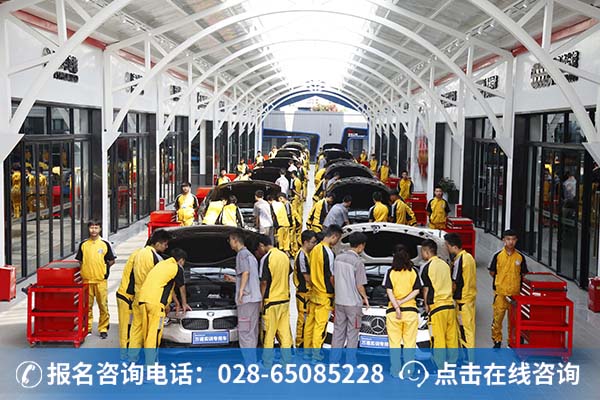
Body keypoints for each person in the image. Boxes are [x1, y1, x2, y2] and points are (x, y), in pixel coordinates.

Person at [137, 248, 190, 363]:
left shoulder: (161, 265)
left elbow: (168, 286)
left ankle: (146, 360)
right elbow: (182, 287)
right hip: (155, 304)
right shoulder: (177, 268)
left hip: (143, 300)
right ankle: (150, 365)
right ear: (181, 260)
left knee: (146, 333)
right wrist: (184, 304)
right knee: (154, 335)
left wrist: (176, 303)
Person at [128, 231, 170, 358]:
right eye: (165, 244)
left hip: (138, 297)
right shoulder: (157, 258)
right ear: (157, 244)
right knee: (152, 330)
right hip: (151, 299)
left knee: (136, 327)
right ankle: (150, 359)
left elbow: (132, 276)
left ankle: (132, 356)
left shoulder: (139, 254)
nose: (166, 247)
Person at [304, 225, 343, 361]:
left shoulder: (314, 249)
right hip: (324, 295)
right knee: (320, 327)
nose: (337, 242)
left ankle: (306, 352)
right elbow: (331, 276)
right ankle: (316, 355)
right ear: (334, 236)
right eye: (337, 239)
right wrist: (338, 291)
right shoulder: (329, 253)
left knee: (310, 324)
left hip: (314, 293)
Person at [384, 244, 422, 376]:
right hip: (411, 312)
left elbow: (389, 291)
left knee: (394, 343)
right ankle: (408, 371)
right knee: (409, 343)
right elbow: (417, 291)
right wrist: (402, 302)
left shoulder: (391, 272)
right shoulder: (413, 272)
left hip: (393, 313)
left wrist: (397, 306)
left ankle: (395, 371)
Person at [256, 235, 293, 367]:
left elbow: (264, 282)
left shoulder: (266, 258)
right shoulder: (284, 256)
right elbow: (288, 275)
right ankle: (286, 361)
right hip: (284, 300)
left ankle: (267, 362)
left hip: (271, 301)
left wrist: (260, 300)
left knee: (268, 334)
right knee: (284, 333)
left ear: (262, 245)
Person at [420, 239, 458, 365]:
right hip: (450, 306)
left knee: (439, 338)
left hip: (437, 307)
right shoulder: (445, 265)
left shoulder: (427, 267)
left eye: (422, 252)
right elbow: (451, 284)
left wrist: (426, 305)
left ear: (426, 252)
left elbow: (426, 289)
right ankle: (453, 362)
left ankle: (439, 364)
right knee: (452, 337)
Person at [75, 220, 116, 338]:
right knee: (86, 306)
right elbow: (80, 261)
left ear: (100, 229)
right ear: (88, 229)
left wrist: (103, 270)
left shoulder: (105, 244)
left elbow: (111, 260)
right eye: (91, 227)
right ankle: (87, 328)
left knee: (103, 305)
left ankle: (103, 328)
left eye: (96, 227)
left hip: (100, 281)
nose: (94, 230)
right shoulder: (83, 244)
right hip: (87, 281)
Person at [331, 232, 369, 357]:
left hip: (339, 302)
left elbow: (333, 278)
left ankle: (334, 361)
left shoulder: (338, 258)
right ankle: (350, 362)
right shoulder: (358, 262)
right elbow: (360, 285)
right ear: (361, 246)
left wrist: (339, 290)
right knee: (352, 334)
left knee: (338, 332)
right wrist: (365, 297)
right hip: (353, 305)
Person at [224, 231, 262, 356]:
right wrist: (234, 280)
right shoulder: (251, 256)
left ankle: (249, 363)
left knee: (245, 332)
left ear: (235, 240)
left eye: (230, 240)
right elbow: (250, 276)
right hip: (254, 299)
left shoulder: (241, 254)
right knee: (252, 331)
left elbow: (246, 272)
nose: (229, 243)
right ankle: (253, 361)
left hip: (246, 300)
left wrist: (240, 291)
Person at [488, 229, 528, 348]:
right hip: (500, 294)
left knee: (514, 321)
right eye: (508, 239)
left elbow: (523, 273)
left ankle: (512, 341)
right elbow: (492, 271)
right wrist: (501, 282)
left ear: (516, 241)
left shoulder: (520, 257)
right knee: (497, 319)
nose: (511, 242)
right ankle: (497, 340)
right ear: (503, 240)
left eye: (513, 239)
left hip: (515, 295)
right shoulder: (498, 256)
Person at [445, 233, 477, 350]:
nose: (446, 248)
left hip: (463, 302)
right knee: (469, 330)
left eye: (447, 246)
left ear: (454, 247)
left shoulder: (459, 260)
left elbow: (455, 282)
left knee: (464, 332)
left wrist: (447, 296)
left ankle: (468, 358)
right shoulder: (469, 257)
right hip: (469, 299)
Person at [293, 230, 317, 348]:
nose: (314, 244)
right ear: (306, 242)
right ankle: (300, 343)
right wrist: (317, 285)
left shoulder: (307, 254)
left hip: (307, 292)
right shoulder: (302, 256)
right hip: (303, 293)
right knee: (303, 319)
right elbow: (306, 276)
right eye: (313, 242)